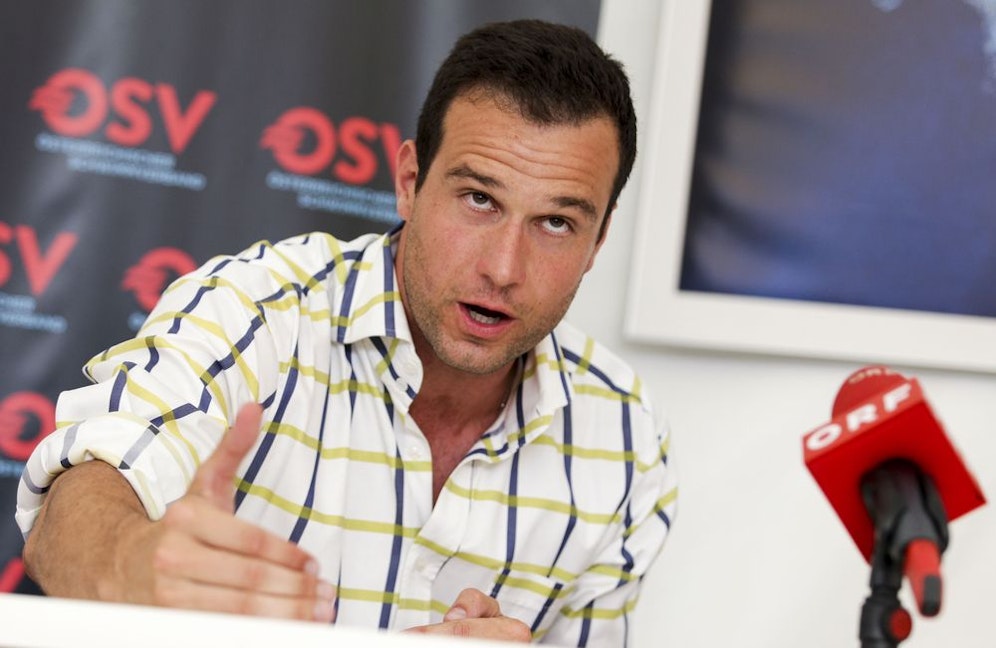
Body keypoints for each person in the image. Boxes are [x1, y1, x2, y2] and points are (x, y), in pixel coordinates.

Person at [17, 18, 677, 645]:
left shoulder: (625, 436)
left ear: (599, 239)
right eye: (479, 199)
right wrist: (131, 562)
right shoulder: (254, 310)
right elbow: (76, 501)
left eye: (557, 223)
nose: (504, 269)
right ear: (410, 183)